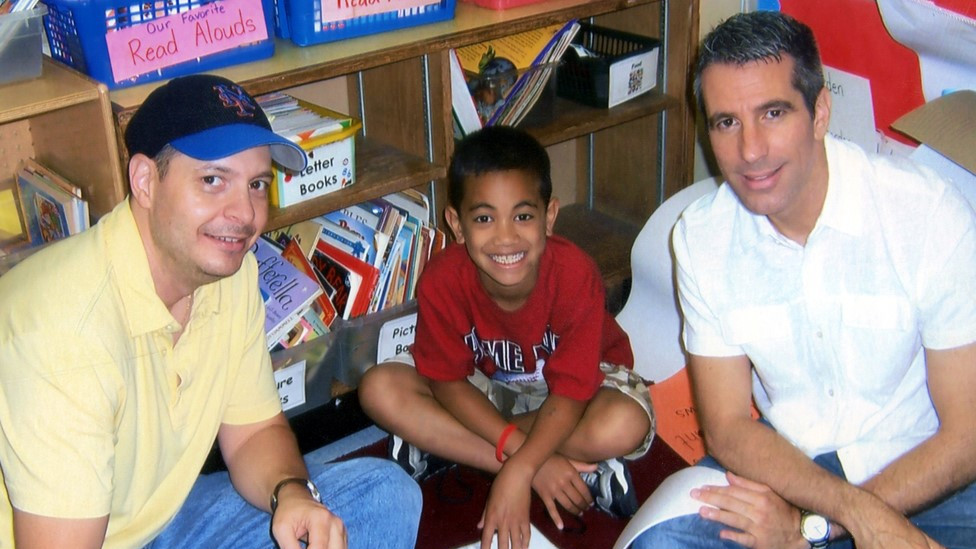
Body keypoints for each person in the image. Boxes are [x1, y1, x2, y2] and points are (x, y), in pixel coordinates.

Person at [0, 74, 421, 549]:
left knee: (386, 496)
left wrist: (292, 494)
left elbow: (252, 432)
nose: (244, 214)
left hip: (153, 521)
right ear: (145, 182)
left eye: (257, 184)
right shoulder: (64, 335)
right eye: (213, 180)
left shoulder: (228, 273)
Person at [630, 10, 976, 549]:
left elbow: (966, 437)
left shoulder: (927, 213)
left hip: (928, 471)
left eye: (773, 113)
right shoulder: (701, 237)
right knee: (660, 543)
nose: (750, 151)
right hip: (789, 465)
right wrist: (840, 513)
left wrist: (820, 527)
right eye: (726, 122)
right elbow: (728, 428)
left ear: (819, 112)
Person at [358, 125, 655, 549]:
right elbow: (446, 380)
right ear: (457, 226)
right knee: (378, 388)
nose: (505, 237)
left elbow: (572, 393)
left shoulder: (575, 275)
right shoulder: (442, 279)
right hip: (488, 389)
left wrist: (519, 468)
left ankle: (444, 443)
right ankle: (560, 464)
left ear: (549, 217)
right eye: (483, 218)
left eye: (523, 216)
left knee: (623, 422)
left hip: (582, 393)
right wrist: (526, 459)